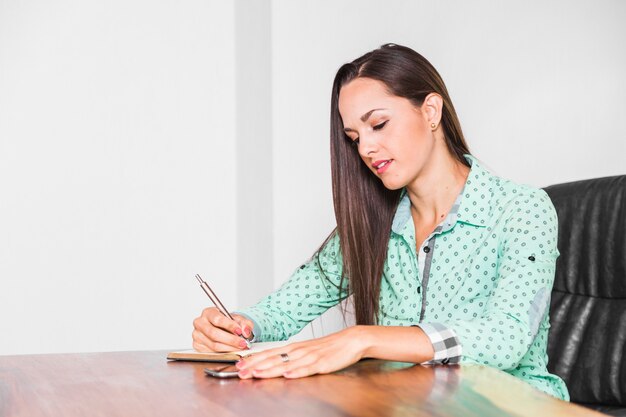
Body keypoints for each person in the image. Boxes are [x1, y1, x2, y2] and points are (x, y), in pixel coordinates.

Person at [192, 43, 569, 400]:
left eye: (379, 124)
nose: (366, 149)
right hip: (408, 404)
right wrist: (238, 325)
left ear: (431, 111)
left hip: (512, 405)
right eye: (354, 137)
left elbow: (508, 336)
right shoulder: (372, 223)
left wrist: (364, 339)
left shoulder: (521, 209)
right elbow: (285, 308)